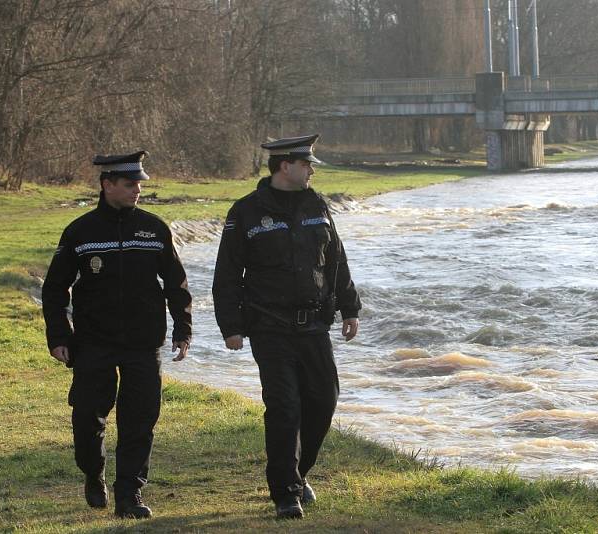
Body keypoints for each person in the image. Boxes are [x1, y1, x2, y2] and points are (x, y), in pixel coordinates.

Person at [212, 134, 361, 519]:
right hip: (269, 326)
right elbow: (227, 274)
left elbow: (336, 262)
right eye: (307, 164)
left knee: (323, 402)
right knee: (284, 407)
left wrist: (350, 308)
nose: (312, 170)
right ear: (285, 166)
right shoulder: (245, 212)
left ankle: (297, 473)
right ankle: (286, 494)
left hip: (314, 325)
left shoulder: (316, 204)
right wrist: (231, 325)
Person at [41, 151, 192, 520]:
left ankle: (129, 495)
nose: (137, 190)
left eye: (140, 183)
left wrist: (182, 329)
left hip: (144, 343)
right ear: (108, 185)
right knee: (87, 419)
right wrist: (60, 335)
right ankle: (93, 473)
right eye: (130, 184)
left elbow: (176, 284)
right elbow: (55, 288)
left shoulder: (156, 229)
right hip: (94, 342)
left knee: (140, 420)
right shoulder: (79, 232)